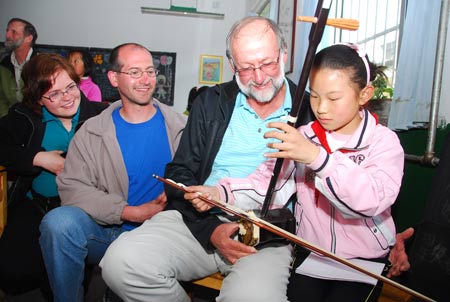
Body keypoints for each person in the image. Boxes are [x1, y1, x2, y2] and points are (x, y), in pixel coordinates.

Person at [100, 16, 314, 302]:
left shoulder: (312, 112)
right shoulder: (211, 101)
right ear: (232, 65)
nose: (260, 77)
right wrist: (211, 230)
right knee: (121, 263)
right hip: (200, 219)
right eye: (247, 68)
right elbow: (179, 171)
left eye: (267, 63)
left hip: (266, 233)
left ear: (284, 55)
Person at [183, 43, 405, 302]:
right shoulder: (304, 136)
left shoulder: (383, 142)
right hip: (313, 255)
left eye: (333, 98)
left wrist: (317, 159)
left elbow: (371, 201)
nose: (321, 108)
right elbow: (268, 186)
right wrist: (220, 192)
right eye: (314, 95)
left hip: (363, 262)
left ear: (364, 94)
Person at [38, 43, 186, 302]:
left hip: (160, 234)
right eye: (135, 72)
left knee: (127, 281)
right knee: (58, 223)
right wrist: (129, 212)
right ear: (113, 78)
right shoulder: (92, 131)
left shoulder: (181, 128)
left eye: (150, 71)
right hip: (108, 230)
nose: (145, 80)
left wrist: (177, 195)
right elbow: (72, 187)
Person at [0, 53, 107, 298]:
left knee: (62, 280)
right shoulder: (23, 117)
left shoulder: (100, 114)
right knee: (12, 273)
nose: (67, 97)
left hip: (82, 210)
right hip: (37, 203)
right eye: (54, 93)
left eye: (70, 86)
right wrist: (37, 158)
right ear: (38, 98)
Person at [0, 18, 38, 117]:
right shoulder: (4, 64)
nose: (7, 35)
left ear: (28, 38)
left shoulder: (41, 65)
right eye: (7, 31)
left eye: (14, 32)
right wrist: (6, 118)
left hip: (35, 121)